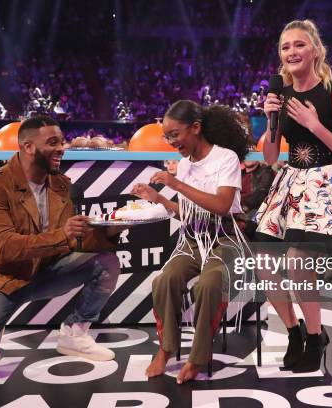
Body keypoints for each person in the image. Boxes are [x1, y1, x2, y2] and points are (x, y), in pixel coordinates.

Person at [254, 20, 332, 373]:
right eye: (285, 47)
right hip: (291, 183)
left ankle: (315, 336)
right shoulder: (280, 97)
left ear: (315, 50)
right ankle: (294, 332)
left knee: (297, 262)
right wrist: (270, 121)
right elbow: (268, 157)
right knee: (264, 263)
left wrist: (315, 125)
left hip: (326, 185)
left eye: (299, 45)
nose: (292, 52)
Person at [0, 115, 123, 367]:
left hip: (46, 272)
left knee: (107, 262)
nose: (61, 148)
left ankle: (74, 334)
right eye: (53, 142)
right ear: (28, 147)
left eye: (62, 142)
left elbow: (75, 240)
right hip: (0, 277)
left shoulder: (61, 184)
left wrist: (112, 229)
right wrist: (63, 235)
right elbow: (4, 247)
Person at [131, 100, 250, 384]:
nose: (171, 142)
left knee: (210, 284)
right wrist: (158, 198)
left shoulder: (226, 158)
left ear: (196, 128)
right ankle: (167, 348)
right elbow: (187, 212)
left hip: (225, 238)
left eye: (175, 134)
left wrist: (175, 184)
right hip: (193, 238)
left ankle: (198, 358)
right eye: (167, 136)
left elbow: (222, 206)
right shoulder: (184, 165)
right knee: (164, 280)